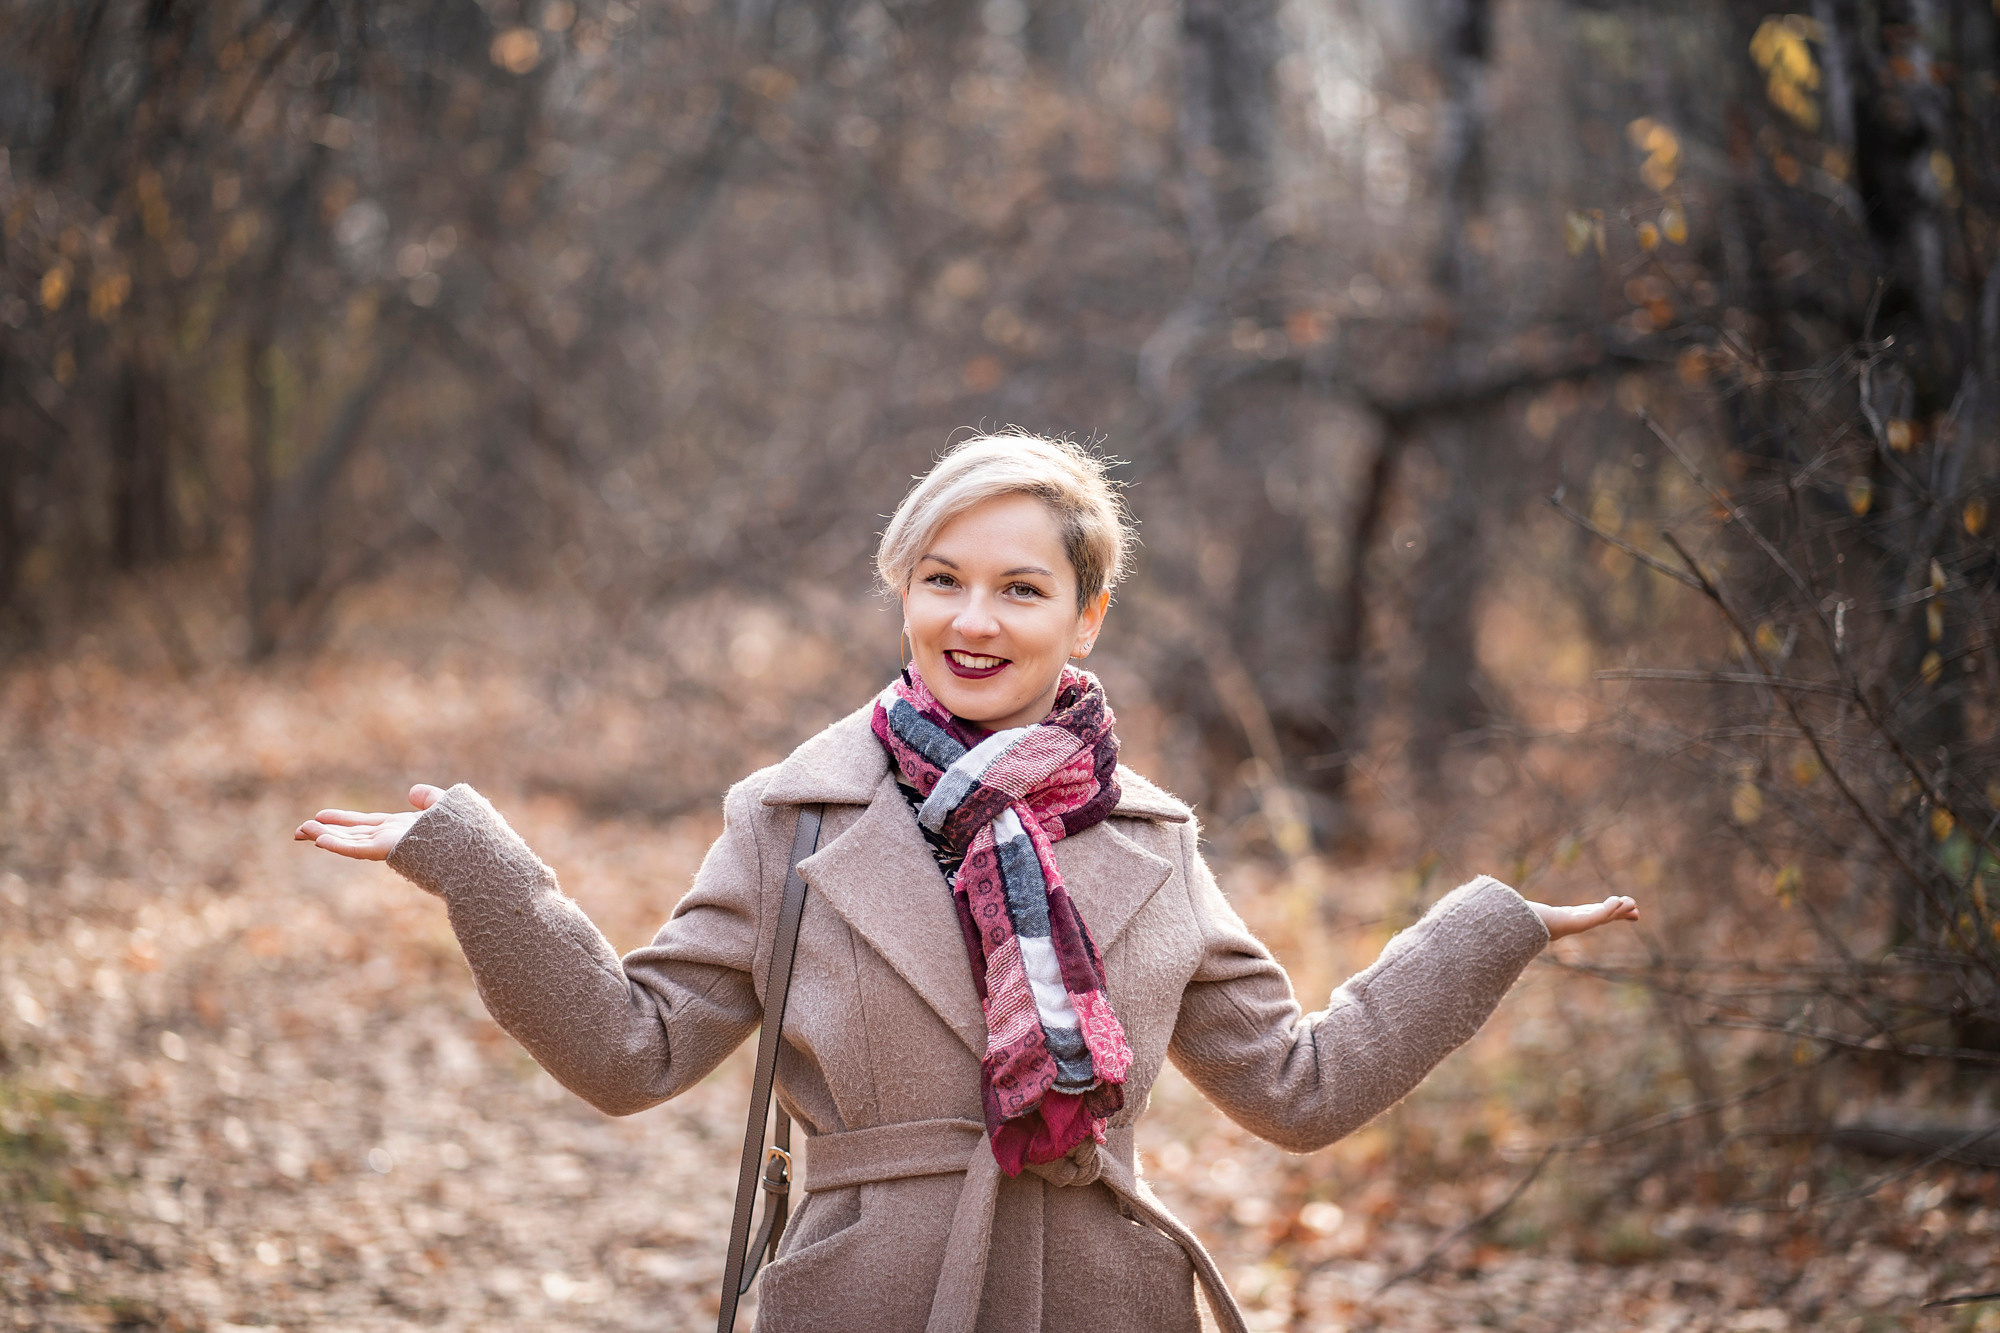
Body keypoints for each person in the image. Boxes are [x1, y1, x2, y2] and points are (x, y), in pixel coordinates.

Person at [296, 433, 1638, 1333]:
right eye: (941, 580)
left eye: (1017, 587)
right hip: (869, 1302)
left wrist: (1491, 929)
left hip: (1106, 1301)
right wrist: (473, 864)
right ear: (904, 594)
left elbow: (1299, 1084)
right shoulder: (795, 820)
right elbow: (630, 1051)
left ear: (1084, 616)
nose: (973, 620)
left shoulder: (1151, 839)